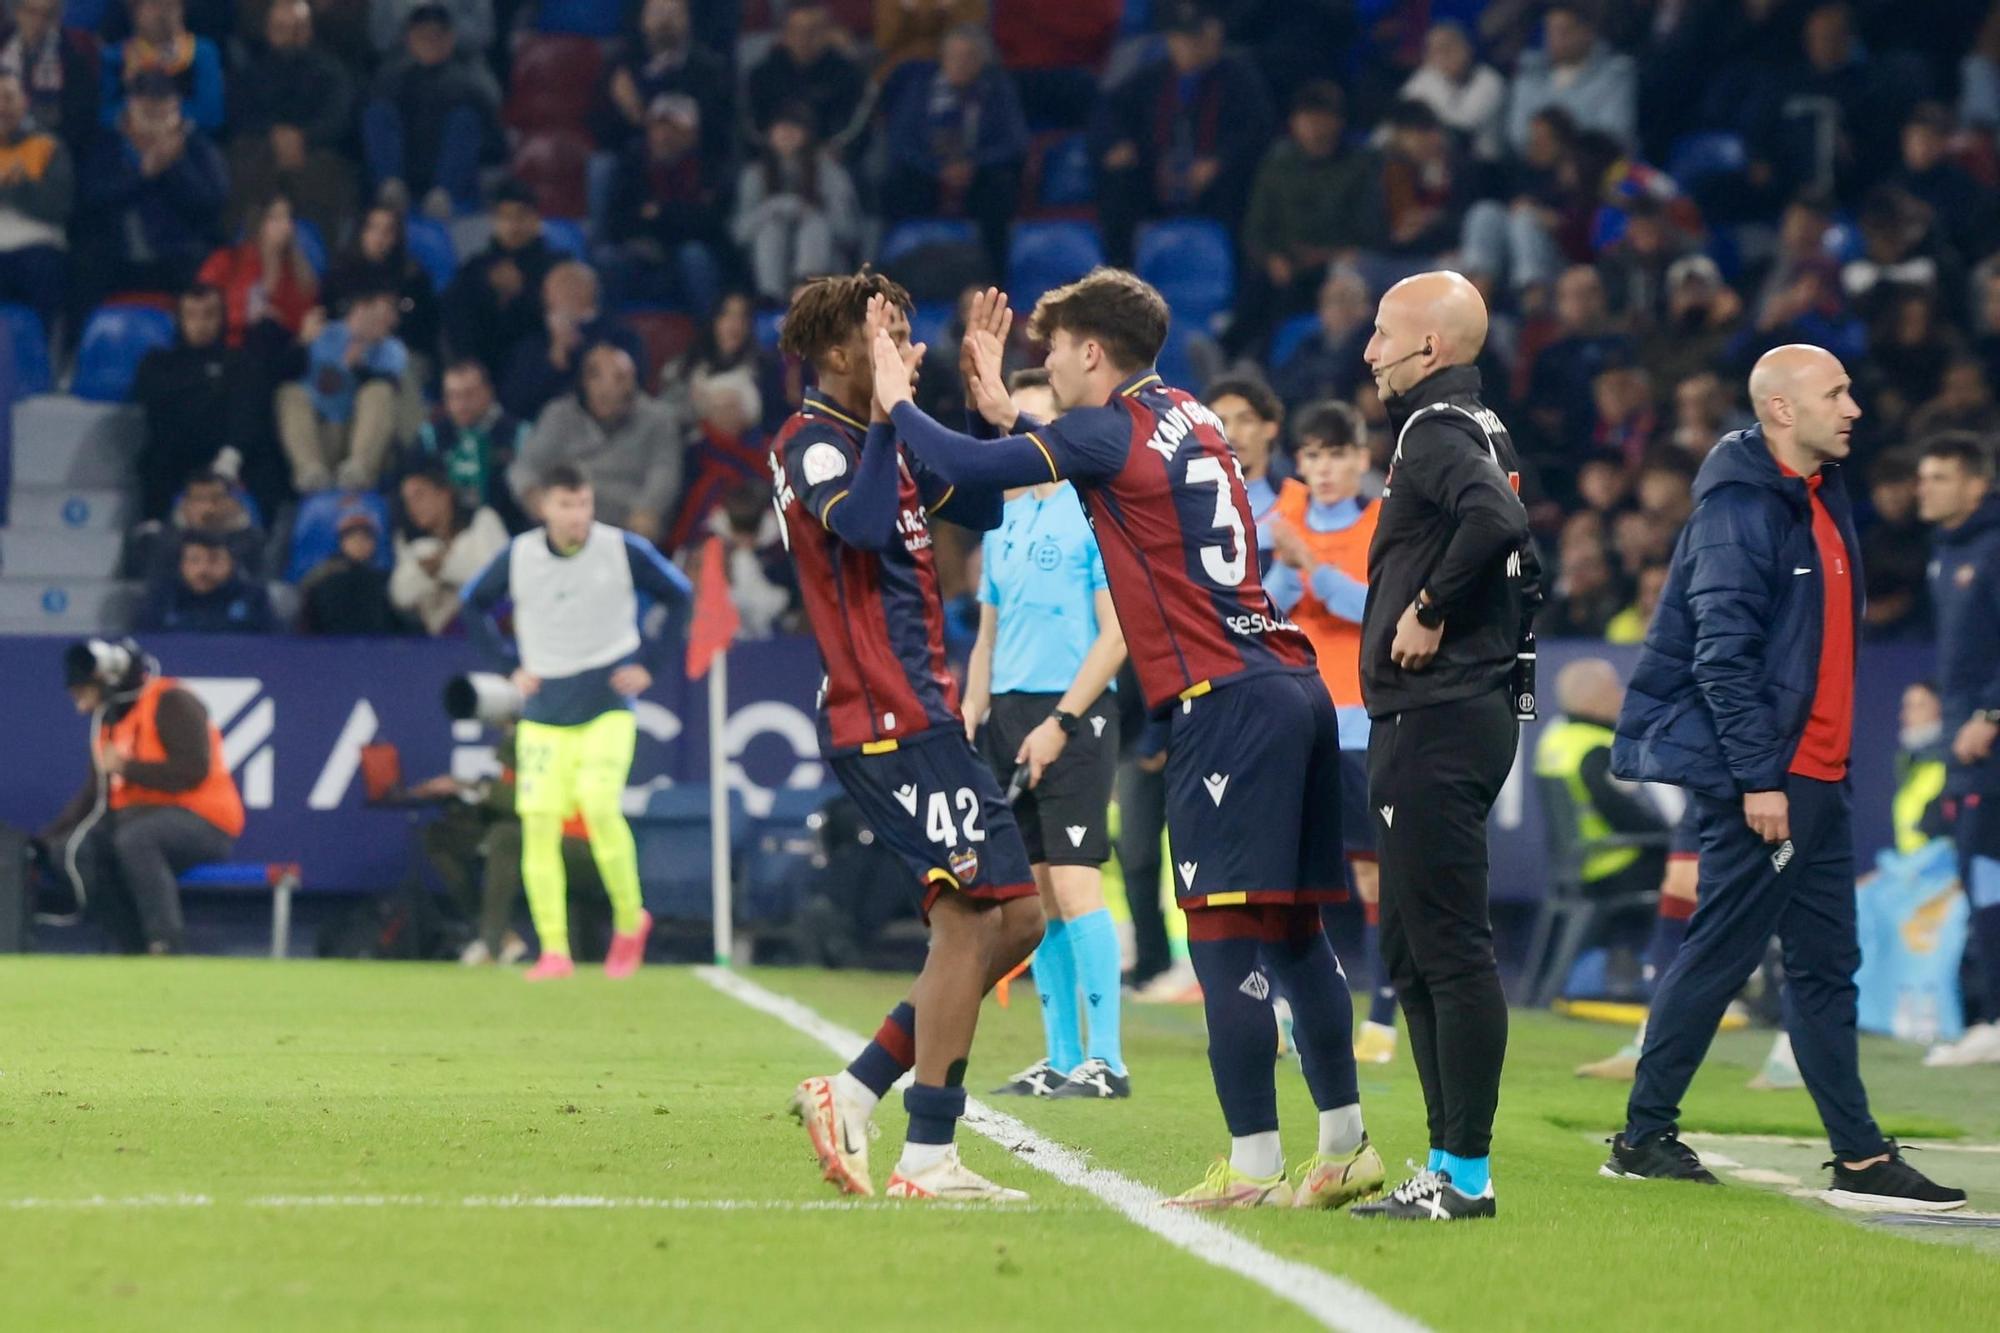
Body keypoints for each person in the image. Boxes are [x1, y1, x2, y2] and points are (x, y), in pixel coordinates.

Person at [876, 274, 1381, 1212]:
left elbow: (974, 476)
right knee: (1298, 931)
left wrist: (897, 394)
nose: (1050, 362)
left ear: (1094, 354)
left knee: (1226, 937)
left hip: (1225, 700)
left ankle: (1257, 1166)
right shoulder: (1186, 412)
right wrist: (997, 403)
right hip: (1291, 683)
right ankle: (1345, 1144)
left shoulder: (1109, 428)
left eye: (1057, 348)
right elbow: (1041, 455)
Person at [1603, 344, 1965, 1212]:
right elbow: (1724, 659)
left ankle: (1861, 1155)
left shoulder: (1819, 495)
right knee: (1723, 951)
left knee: (1827, 966)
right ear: (1780, 411)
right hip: (1772, 780)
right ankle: (1642, 1136)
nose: (1854, 407)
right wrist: (1761, 778)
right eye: (1834, 392)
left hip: (1820, 778)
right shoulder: (1738, 510)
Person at [773, 272, 1042, 1203]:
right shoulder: (811, 442)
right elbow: (856, 525)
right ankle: (928, 1152)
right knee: (969, 919)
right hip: (882, 719)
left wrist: (983, 409)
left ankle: (852, 1088)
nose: (900, 348)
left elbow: (985, 507)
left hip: (927, 712)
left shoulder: (875, 431)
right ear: (838, 353)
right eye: (883, 336)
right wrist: (892, 411)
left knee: (1018, 918)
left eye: (903, 332)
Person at [1347, 270, 1533, 1221]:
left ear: (1429, 349)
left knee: (1448, 949)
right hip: (1454, 714)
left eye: (1383, 334)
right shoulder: (1482, 427)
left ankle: (1466, 1174)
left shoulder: (1434, 430)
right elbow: (1524, 565)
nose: (1369, 350)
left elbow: (1500, 525)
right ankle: (1448, 1165)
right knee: (1415, 950)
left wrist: (1426, 608)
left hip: (1437, 718)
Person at [964, 367, 1130, 1101]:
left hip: (1076, 708)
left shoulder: (1088, 508)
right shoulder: (1001, 512)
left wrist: (1063, 721)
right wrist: (973, 702)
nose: (1017, 436)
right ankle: (1062, 1057)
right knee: (1035, 895)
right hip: (1005, 710)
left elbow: (1118, 633)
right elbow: (987, 627)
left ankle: (1110, 1061)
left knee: (1073, 880)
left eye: (1030, 421)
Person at [461, 463, 691, 981]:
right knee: (538, 827)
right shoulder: (519, 556)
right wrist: (508, 667)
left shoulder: (621, 549)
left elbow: (680, 593)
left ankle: (631, 920)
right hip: (544, 714)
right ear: (545, 507)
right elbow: (472, 603)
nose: (577, 517)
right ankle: (554, 951)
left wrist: (649, 666)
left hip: (606, 706)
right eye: (566, 506)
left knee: (597, 806)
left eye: (584, 504)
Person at [1262, 401, 1396, 1064]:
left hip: (1360, 723)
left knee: (1374, 877)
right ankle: (1289, 1004)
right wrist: (1289, 564)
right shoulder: (1282, 522)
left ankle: (1383, 1017)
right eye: (1312, 455)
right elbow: (1263, 609)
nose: (1324, 468)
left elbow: (1375, 609)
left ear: (1361, 459)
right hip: (1295, 721)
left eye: (1337, 454)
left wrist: (1309, 559)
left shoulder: (1378, 524)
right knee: (1285, 874)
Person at [44, 638, 244, 953]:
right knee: (72, 849)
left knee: (136, 838)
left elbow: (193, 770)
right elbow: (93, 797)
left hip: (204, 822)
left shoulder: (171, 700)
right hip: (136, 821)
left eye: (83, 694)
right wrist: (47, 841)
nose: (80, 706)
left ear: (106, 683)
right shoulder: (107, 722)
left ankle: (165, 943)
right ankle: (132, 947)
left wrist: (126, 766)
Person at [1916, 432, 2000, 1066]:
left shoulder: (1992, 548)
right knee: (1982, 877)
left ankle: (1993, 1019)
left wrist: (1989, 712)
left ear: (1977, 485)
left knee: (1987, 873)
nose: (1926, 488)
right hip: (1969, 745)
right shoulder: (1944, 554)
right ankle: (1990, 1015)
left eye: (1941, 477)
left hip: (1989, 745)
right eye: (1925, 477)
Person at [1090, 0, 1274, 268]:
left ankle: (1237, 287)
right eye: (1179, 39)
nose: (1186, 47)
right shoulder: (1152, 78)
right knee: (1119, 182)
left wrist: (1219, 162)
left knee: (1247, 192)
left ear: (1212, 38)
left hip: (1217, 186)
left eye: (1194, 38)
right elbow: (1108, 112)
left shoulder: (1239, 77)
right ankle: (1120, 273)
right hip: (1158, 178)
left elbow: (1257, 130)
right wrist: (1117, 144)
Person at [880, 23, 1027, 277]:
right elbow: (901, 141)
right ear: (942, 58)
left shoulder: (998, 90)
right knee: (892, 186)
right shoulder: (920, 88)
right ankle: (893, 275)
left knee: (1000, 191)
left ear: (982, 60)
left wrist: (974, 165)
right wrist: (938, 169)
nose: (960, 64)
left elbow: (1015, 142)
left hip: (980, 173)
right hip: (927, 172)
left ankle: (993, 280)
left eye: (969, 57)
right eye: (954, 56)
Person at [75, 69, 226, 308]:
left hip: (178, 255)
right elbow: (90, 199)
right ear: (130, 109)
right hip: (117, 256)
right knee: (85, 264)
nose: (156, 124)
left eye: (164, 114)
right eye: (148, 114)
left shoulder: (197, 146)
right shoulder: (106, 145)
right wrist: (142, 176)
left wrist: (173, 168)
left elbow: (211, 204)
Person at [511, 344, 684, 544]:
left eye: (620, 378)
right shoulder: (558, 415)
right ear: (585, 382)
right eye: (597, 378)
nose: (609, 389)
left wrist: (649, 509)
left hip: (627, 521)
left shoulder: (658, 419)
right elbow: (525, 465)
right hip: (567, 516)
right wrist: (532, 493)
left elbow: (664, 471)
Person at [224, 0, 355, 242]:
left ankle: (314, 256)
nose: (290, 36)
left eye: (298, 28)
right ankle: (245, 254)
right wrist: (275, 134)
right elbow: (239, 114)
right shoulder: (250, 72)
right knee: (245, 160)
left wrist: (303, 137)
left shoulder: (333, 71)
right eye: (282, 28)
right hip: (262, 149)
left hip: (316, 152)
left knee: (323, 176)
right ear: (268, 31)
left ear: (309, 30)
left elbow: (339, 118)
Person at [362, 2, 498, 218]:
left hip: (450, 179)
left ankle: (444, 195)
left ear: (450, 39)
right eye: (422, 35)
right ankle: (390, 187)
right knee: (378, 112)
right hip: (405, 170)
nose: (429, 42)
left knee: (465, 119)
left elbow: (493, 143)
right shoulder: (390, 81)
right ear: (409, 39)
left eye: (436, 35)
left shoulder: (470, 86)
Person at [130, 286, 251, 521]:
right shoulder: (157, 363)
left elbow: (245, 413)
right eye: (192, 315)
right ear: (179, 319)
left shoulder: (240, 362)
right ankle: (151, 531)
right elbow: (157, 409)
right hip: (173, 457)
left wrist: (229, 459)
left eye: (209, 314)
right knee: (155, 459)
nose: (201, 324)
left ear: (222, 318)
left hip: (223, 459)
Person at [603, 92, 730, 314]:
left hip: (687, 255)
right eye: (657, 128)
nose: (663, 137)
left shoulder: (710, 170)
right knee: (608, 259)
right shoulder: (631, 167)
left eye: (673, 130)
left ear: (692, 134)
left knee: (695, 256)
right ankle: (608, 337)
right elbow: (615, 222)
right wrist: (676, 216)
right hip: (641, 253)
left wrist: (659, 213)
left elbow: (709, 225)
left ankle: (709, 336)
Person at [276, 284, 406, 493]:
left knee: (379, 390)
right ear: (362, 308)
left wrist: (359, 367)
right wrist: (301, 343)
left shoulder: (391, 349)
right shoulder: (322, 333)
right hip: (320, 433)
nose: (394, 319)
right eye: (388, 310)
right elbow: (281, 374)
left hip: (357, 436)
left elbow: (391, 389)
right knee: (289, 393)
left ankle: (359, 471)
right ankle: (310, 472)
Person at [731, 100, 860, 304]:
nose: (787, 134)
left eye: (794, 127)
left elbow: (849, 231)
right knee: (771, 228)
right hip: (768, 275)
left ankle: (807, 287)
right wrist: (775, 208)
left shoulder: (830, 172)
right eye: (780, 127)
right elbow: (739, 233)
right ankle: (771, 299)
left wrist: (810, 214)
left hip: (827, 271)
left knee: (814, 224)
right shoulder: (754, 175)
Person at [498, 262, 644, 424]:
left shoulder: (621, 336)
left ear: (587, 290)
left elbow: (630, 387)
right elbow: (515, 402)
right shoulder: (533, 344)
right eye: (552, 289)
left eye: (568, 285)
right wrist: (556, 356)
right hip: (546, 430)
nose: (549, 297)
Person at [441, 179, 555, 378]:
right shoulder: (475, 268)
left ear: (536, 219)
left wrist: (521, 292)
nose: (513, 225)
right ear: (494, 221)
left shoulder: (556, 267)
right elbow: (454, 316)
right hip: (481, 368)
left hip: (538, 369)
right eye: (505, 217)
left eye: (521, 216)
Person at [389, 461, 507, 634]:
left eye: (419, 496)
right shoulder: (410, 542)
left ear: (444, 494)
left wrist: (445, 567)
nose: (412, 507)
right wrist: (425, 572)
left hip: (494, 622)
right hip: (447, 637)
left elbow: (500, 578)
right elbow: (401, 596)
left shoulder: (482, 521)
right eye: (407, 500)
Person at [413, 359, 528, 530]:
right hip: (445, 536)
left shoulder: (518, 435)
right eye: (453, 396)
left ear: (488, 392)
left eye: (469, 394)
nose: (461, 404)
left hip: (505, 532)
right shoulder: (431, 437)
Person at [324, 201, 441, 367]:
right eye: (373, 228)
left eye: (388, 231)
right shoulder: (337, 277)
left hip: (402, 357)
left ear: (396, 237)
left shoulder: (413, 278)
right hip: (347, 356)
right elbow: (328, 325)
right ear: (361, 232)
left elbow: (427, 330)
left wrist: (389, 323)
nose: (379, 237)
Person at [195, 192, 318, 347]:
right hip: (229, 350)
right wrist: (246, 316)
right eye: (276, 218)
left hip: (278, 355)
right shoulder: (227, 261)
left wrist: (278, 322)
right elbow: (199, 307)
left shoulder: (300, 274)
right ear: (258, 222)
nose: (286, 225)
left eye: (288, 218)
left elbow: (302, 324)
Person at [0, 68, 68, 320]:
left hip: (37, 250)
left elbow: (58, 207)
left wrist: (18, 188)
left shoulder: (48, 146)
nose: (2, 107)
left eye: (8, 97)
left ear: (24, 101)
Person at [99, 0, 223, 133]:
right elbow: (103, 114)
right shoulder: (114, 57)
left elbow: (213, 115)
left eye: (170, 6)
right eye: (153, 5)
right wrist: (133, 112)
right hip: (130, 140)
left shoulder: (202, 53)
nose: (163, 13)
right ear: (135, 12)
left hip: (188, 140)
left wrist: (165, 112)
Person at [1203, 376, 1286, 566]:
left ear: (1270, 428)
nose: (1231, 433)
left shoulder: (1302, 505)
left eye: (1245, 420)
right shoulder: (1188, 507)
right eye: (1220, 422)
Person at [133, 530, 277, 633]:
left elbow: (274, 643)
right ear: (182, 564)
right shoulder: (163, 596)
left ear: (231, 563)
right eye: (194, 560)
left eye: (214, 560)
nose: (203, 569)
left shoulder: (252, 596)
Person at [0, 0, 101, 146]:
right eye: (31, 12)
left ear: (57, 18)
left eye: (47, 15)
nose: (38, 22)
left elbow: (81, 117)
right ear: (17, 12)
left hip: (51, 146)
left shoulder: (73, 57)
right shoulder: (3, 45)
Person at [300, 507, 405, 635]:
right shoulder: (322, 578)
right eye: (352, 536)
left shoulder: (385, 580)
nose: (359, 542)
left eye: (366, 537)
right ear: (342, 542)